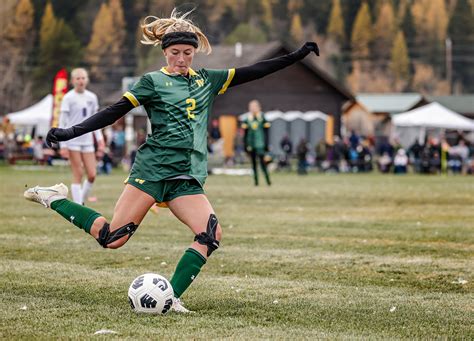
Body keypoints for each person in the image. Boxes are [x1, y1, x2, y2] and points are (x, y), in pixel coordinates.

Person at [24, 9, 319, 312]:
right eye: (175, 52)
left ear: (194, 53)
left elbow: (254, 70)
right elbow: (114, 111)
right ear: (165, 53)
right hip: (152, 170)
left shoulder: (208, 80)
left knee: (210, 234)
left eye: (187, 53)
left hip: (186, 176)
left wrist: (296, 56)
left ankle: (171, 298)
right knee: (112, 238)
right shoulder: (152, 82)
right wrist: (71, 131)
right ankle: (55, 198)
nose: (181, 58)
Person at [58, 68, 105, 204]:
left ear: (87, 80)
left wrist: (100, 139)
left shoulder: (92, 97)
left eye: (83, 78)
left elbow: (96, 121)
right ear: (73, 81)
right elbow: (62, 122)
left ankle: (82, 201)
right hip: (72, 141)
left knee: (92, 175)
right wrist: (63, 145)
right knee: (78, 174)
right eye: (78, 78)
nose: (81, 81)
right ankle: (79, 207)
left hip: (88, 141)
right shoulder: (68, 98)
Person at [242, 100, 272, 186]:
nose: (253, 108)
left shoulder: (262, 117)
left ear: (259, 107)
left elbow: (267, 132)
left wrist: (266, 144)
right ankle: (256, 182)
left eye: (254, 107)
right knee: (254, 164)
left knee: (263, 163)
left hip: (260, 144)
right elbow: (245, 133)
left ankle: (268, 181)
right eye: (251, 107)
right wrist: (246, 145)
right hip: (251, 145)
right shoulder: (247, 119)